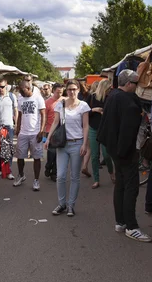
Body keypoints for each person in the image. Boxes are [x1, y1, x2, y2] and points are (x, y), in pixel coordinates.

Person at [97, 69, 152, 243]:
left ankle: (120, 222)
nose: (137, 87)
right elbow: (128, 130)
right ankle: (131, 226)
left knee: (120, 185)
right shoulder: (127, 101)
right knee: (131, 187)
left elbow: (105, 126)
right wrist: (128, 152)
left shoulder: (113, 96)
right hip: (125, 151)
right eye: (136, 83)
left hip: (115, 150)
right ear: (128, 84)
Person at [45, 80, 90, 217]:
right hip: (62, 144)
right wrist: (48, 139)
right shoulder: (61, 104)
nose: (72, 92)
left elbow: (86, 126)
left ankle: (71, 205)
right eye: (69, 89)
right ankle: (62, 204)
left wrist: (84, 144)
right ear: (67, 90)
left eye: (74, 89)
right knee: (60, 176)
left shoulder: (83, 106)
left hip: (77, 143)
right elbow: (56, 122)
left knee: (75, 176)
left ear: (78, 90)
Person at [14, 80, 46, 191]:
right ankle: (21, 175)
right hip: (23, 132)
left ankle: (36, 180)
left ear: (28, 88)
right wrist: (17, 128)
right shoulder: (20, 99)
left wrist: (41, 131)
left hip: (35, 132)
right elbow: (20, 115)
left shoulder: (38, 98)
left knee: (36, 157)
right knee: (20, 156)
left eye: (22, 91)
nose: (21, 93)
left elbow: (43, 115)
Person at [85, 79, 114, 189]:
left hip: (105, 129)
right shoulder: (91, 97)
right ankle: (96, 179)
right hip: (93, 129)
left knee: (106, 155)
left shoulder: (110, 98)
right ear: (104, 88)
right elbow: (84, 113)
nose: (110, 90)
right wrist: (94, 110)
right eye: (109, 89)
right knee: (94, 156)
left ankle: (112, 173)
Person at [44, 83, 64, 181]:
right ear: (53, 91)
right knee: (51, 152)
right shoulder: (47, 102)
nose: (59, 94)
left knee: (58, 153)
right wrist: (43, 131)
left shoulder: (65, 101)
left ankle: (54, 173)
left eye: (61, 92)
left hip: (61, 131)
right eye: (57, 92)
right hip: (49, 130)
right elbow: (43, 117)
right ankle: (48, 166)